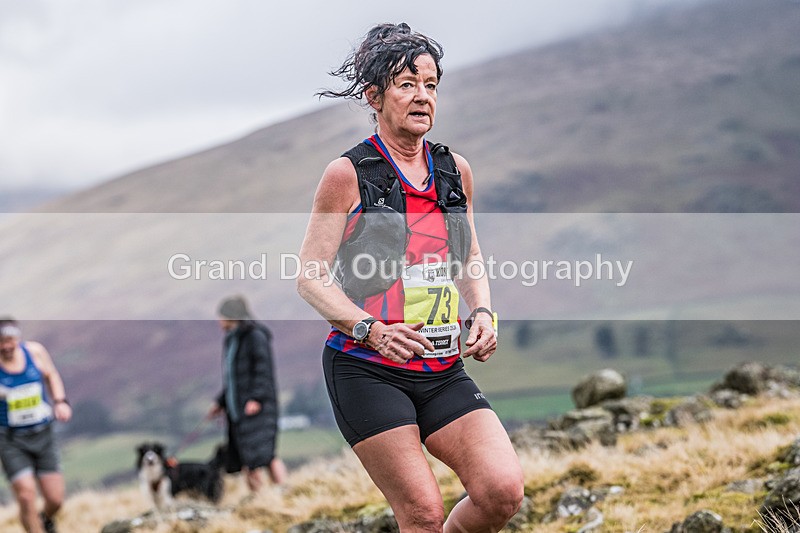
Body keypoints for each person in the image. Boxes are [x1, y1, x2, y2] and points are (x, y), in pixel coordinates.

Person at [297, 23, 524, 532]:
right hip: (366, 367)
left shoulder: (454, 171)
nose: (422, 97)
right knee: (421, 511)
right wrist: (371, 329)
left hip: (442, 367)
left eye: (431, 85)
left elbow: (468, 256)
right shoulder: (348, 174)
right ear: (374, 96)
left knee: (501, 491)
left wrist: (482, 311)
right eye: (406, 84)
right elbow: (310, 278)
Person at [206, 296, 287, 495]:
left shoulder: (255, 336)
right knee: (246, 457)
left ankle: (282, 491)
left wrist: (256, 399)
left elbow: (263, 370)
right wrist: (220, 402)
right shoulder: (231, 339)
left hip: (257, 407)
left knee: (264, 455)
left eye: (221, 316)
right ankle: (259, 498)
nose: (219, 320)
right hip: (237, 409)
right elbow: (234, 379)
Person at [0, 318, 72, 533]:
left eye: (9, 340)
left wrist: (60, 401)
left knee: (55, 499)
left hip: (43, 433)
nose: (5, 346)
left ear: (17, 338)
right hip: (10, 439)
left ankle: (45, 519)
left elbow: (51, 374)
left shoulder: (35, 352)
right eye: (0, 342)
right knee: (26, 494)